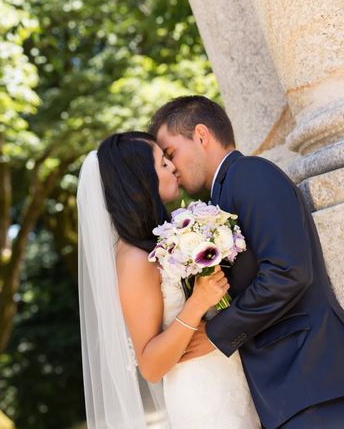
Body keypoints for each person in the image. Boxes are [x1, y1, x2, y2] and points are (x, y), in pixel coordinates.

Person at [148, 95, 344, 428]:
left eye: (171, 154)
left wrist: (216, 333)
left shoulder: (251, 175)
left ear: (200, 134)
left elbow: (288, 272)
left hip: (311, 374)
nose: (172, 169)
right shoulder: (218, 198)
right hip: (287, 390)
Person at [77, 131, 259, 428]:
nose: (173, 167)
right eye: (163, 163)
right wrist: (198, 302)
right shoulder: (135, 259)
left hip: (229, 377)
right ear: (141, 180)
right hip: (203, 398)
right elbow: (150, 365)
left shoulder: (164, 239)